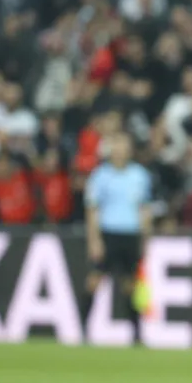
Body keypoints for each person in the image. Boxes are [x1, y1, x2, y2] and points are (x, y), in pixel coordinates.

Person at [84, 132, 153, 341]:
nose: (120, 151)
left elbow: (144, 209)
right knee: (95, 280)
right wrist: (94, 239)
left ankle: (136, 333)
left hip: (131, 234)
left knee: (130, 285)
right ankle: (82, 328)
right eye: (117, 146)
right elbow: (92, 209)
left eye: (124, 146)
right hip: (108, 233)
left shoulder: (140, 175)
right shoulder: (100, 176)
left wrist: (145, 238)